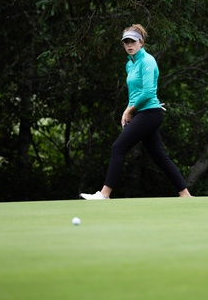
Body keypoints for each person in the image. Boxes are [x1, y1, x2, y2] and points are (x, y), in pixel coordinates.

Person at [80, 24, 192, 199]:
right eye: (126, 42)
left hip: (151, 113)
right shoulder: (130, 64)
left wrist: (130, 111)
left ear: (141, 42)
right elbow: (134, 94)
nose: (129, 45)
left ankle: (104, 194)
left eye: (132, 41)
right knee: (159, 156)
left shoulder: (148, 61)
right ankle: (185, 195)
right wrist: (127, 110)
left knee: (118, 147)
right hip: (142, 113)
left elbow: (148, 93)